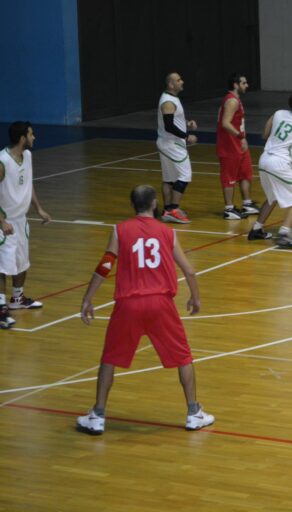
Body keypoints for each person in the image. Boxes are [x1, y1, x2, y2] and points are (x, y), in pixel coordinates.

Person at [77, 185, 214, 435]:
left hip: (128, 305)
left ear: (134, 205)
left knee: (109, 359)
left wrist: (88, 298)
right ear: (153, 203)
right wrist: (195, 297)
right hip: (161, 304)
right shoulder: (167, 232)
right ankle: (194, 412)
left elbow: (105, 266)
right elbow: (190, 270)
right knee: (183, 357)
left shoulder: (119, 230)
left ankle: (97, 415)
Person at [246, 93, 292, 248]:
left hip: (264, 158)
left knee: (272, 198)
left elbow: (265, 134)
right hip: (279, 163)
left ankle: (257, 229)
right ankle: (284, 234)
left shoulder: (278, 113)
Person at [0, 122, 51, 329]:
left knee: (22, 262)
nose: (34, 137)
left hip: (21, 220)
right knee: (3, 267)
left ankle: (17, 299)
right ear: (22, 138)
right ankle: (1, 308)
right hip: (5, 223)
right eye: (31, 134)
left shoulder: (27, 157)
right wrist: (2, 222)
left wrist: (39, 208)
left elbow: (28, 184)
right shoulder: (3, 161)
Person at [216, 73, 260, 220]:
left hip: (238, 143)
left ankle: (247, 204)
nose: (246, 85)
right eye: (243, 83)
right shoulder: (231, 101)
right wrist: (241, 137)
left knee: (246, 173)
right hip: (229, 145)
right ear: (235, 85)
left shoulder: (236, 100)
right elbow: (225, 123)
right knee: (229, 177)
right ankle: (229, 209)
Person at [157, 72, 197, 224]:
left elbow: (173, 119)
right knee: (185, 175)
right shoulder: (168, 101)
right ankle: (174, 209)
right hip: (172, 144)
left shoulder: (171, 99)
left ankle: (167, 210)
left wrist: (186, 123)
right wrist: (187, 136)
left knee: (168, 179)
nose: (182, 81)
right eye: (178, 80)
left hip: (167, 143)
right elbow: (169, 126)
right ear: (171, 85)